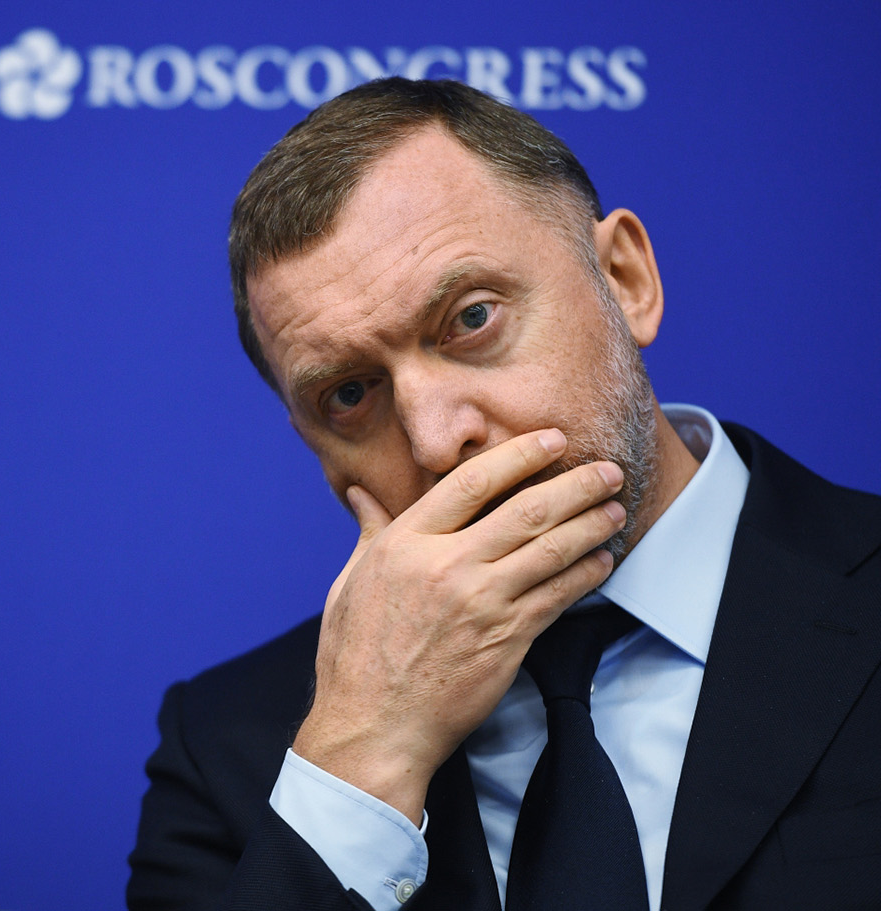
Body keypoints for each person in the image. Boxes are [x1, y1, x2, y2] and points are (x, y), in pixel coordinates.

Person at [126, 77, 881, 911]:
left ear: (625, 279)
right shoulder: (229, 749)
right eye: (350, 393)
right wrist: (364, 757)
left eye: (471, 318)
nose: (435, 439)